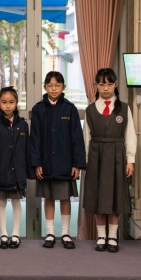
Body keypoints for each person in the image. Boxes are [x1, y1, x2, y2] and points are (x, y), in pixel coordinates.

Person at [29, 71, 86, 249]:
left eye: (57, 85)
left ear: (63, 87)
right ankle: (50, 233)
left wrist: (77, 164)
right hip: (45, 163)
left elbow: (77, 139)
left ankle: (66, 233)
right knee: (48, 197)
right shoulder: (38, 109)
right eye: (50, 85)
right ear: (45, 87)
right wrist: (36, 163)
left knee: (65, 198)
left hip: (65, 163)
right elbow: (35, 138)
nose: (54, 89)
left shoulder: (70, 109)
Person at [82, 68, 136, 253]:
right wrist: (86, 159)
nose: (105, 88)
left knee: (115, 196)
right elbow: (86, 136)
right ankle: (101, 236)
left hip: (117, 157)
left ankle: (112, 237)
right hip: (96, 156)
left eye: (109, 84)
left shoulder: (124, 108)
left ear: (116, 85)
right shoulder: (90, 109)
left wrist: (130, 160)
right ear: (96, 86)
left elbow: (130, 136)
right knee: (98, 196)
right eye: (102, 84)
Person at [0, 87, 30, 249]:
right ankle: (3, 234)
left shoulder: (23, 124)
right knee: (2, 201)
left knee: (17, 201)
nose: (8, 105)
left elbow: (27, 150)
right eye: (4, 102)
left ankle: (15, 234)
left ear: (16, 103)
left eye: (11, 102)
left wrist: (27, 172)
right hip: (0, 171)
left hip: (18, 172)